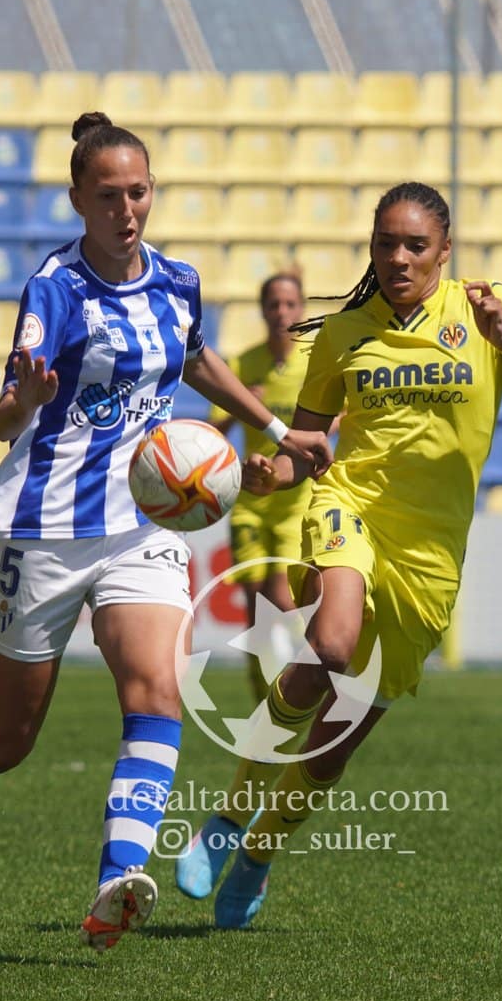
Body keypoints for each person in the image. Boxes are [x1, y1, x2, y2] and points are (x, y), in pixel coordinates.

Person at [0, 112, 331, 952]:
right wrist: (22, 399)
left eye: (137, 192)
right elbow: (4, 416)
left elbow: (198, 357)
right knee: (9, 736)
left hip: (141, 525)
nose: (125, 209)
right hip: (42, 530)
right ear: (77, 199)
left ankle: (118, 876)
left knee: (157, 689)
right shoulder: (54, 289)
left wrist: (277, 432)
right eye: (107, 196)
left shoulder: (177, 280)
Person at [174, 180, 502, 929]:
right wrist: (271, 472)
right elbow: (308, 449)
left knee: (337, 742)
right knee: (330, 644)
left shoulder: (487, 307)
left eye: (414, 245)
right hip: (350, 507)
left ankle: (260, 854)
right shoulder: (341, 334)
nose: (398, 257)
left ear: (445, 250)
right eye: (385, 243)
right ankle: (228, 818)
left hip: (430, 552)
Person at [210, 271, 316, 703]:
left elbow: (341, 415)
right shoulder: (244, 364)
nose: (281, 313)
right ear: (262, 310)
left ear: (301, 309)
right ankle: (266, 705)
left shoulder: (313, 363)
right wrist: (243, 404)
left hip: (297, 502)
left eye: (290, 304)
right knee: (257, 615)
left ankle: (302, 692)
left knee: (283, 604)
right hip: (252, 502)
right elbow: (213, 430)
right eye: (274, 304)